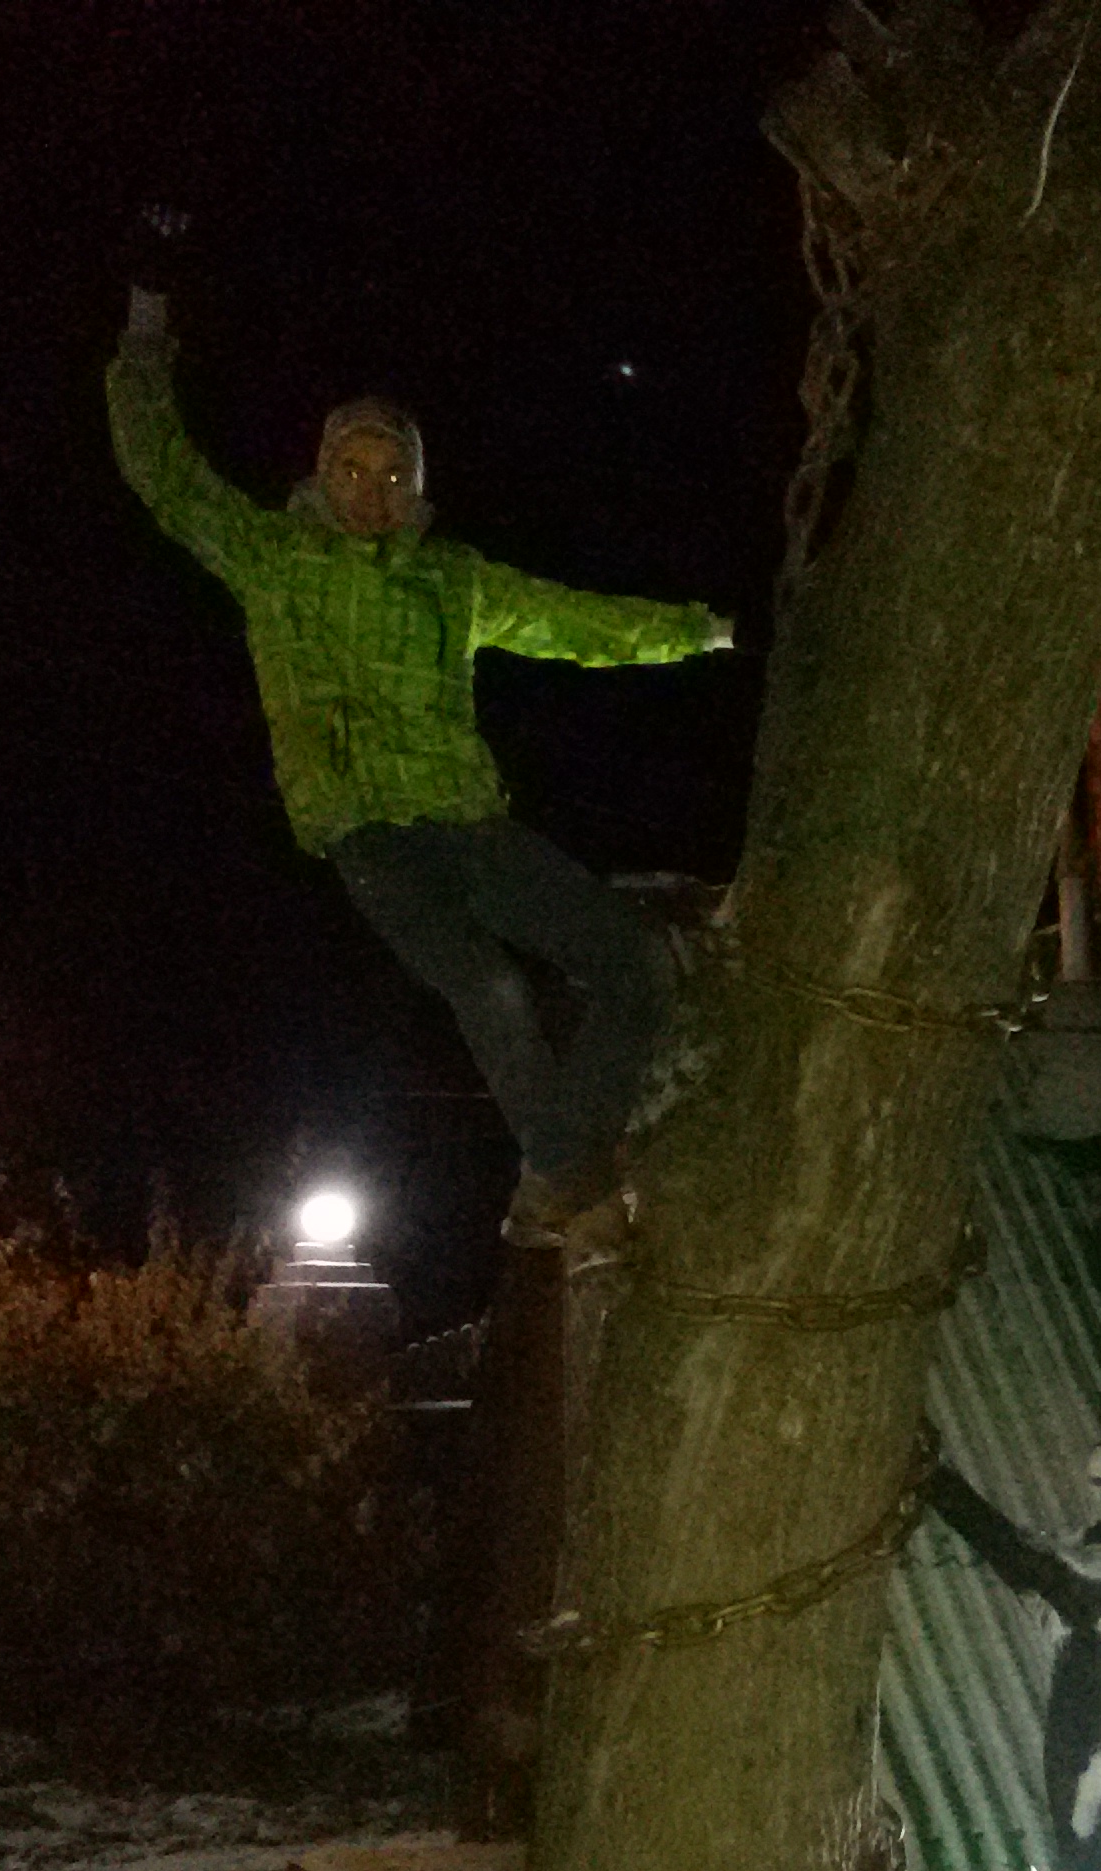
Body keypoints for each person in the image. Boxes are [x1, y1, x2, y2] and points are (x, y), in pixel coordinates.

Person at [107, 281, 736, 1246]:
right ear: (324, 474)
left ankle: (554, 1174)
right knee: (489, 988)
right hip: (369, 833)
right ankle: (574, 1183)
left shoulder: (453, 579)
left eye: (392, 474)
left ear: (415, 487)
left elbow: (574, 623)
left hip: (469, 821)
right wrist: (147, 334)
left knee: (634, 964)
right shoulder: (274, 558)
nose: (372, 492)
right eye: (353, 471)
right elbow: (164, 474)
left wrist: (707, 632)